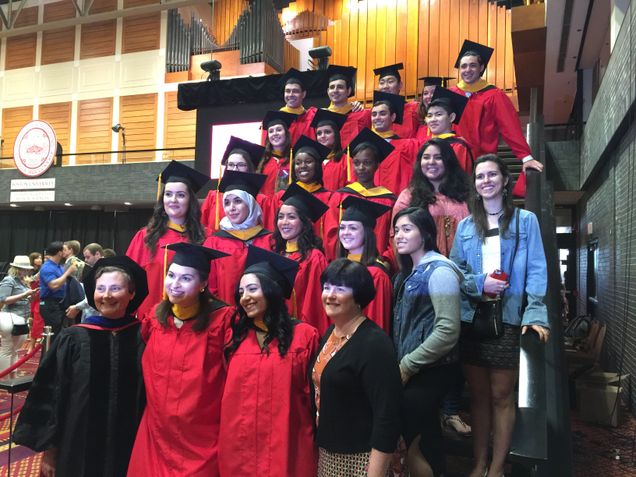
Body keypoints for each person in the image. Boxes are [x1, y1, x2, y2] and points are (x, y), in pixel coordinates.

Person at [449, 154, 550, 477]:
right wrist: (482, 284)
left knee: (502, 396)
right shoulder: (465, 226)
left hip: (508, 318)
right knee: (478, 397)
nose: (486, 181)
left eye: (493, 175)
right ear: (475, 186)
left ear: (505, 181)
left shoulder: (525, 221)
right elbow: (457, 273)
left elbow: (536, 269)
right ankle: (478, 462)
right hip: (473, 318)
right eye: (480, 177)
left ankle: (496, 466)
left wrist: (535, 313)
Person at [14, 256, 148, 477]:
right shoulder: (73, 338)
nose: (106, 295)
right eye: (100, 288)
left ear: (131, 293)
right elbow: (51, 396)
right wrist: (50, 451)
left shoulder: (143, 336)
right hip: (77, 446)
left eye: (116, 288)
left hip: (130, 445)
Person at [128, 243, 233, 477]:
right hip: (157, 431)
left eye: (186, 278)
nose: (175, 285)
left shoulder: (223, 321)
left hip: (202, 435)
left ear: (204, 284)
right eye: (171, 275)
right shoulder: (155, 319)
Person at [219, 246, 319, 476]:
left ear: (272, 290)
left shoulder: (305, 336)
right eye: (241, 291)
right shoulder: (234, 339)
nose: (245, 297)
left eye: (252, 289)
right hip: (240, 452)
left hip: (288, 449)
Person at [313, 258, 402, 477]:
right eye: (327, 287)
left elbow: (387, 415)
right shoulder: (330, 334)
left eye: (340, 288)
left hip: (361, 458)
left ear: (359, 297)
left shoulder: (374, 344)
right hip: (330, 453)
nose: (330, 295)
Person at [393, 207, 464, 477]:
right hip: (418, 367)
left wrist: (408, 365)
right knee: (426, 435)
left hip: (433, 369)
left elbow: (447, 331)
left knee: (414, 437)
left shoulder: (440, 271)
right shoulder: (410, 272)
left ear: (425, 233)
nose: (399, 235)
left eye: (407, 229)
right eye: (396, 230)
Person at [450, 40, 544, 196]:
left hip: (482, 161)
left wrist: (526, 157)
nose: (467, 70)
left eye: (473, 65)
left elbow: (510, 127)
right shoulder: (452, 94)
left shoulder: (494, 95)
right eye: (463, 66)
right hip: (455, 160)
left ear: (481, 68)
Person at [126, 160, 209, 320]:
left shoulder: (205, 237)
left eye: (181, 195)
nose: (173, 200)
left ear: (190, 200)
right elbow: (130, 280)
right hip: (151, 319)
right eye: (168, 194)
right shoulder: (145, 237)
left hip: (193, 320)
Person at [324, 128, 396, 260]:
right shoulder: (340, 197)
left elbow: (392, 237)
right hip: (345, 263)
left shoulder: (389, 200)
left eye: (367, 163)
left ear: (377, 165)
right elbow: (331, 234)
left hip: (377, 263)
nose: (361, 168)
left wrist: (384, 261)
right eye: (356, 163)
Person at [393, 138, 470, 257]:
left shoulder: (466, 194)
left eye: (438, 157)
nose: (431, 162)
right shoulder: (408, 197)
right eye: (426, 157)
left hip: (464, 266)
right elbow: (397, 237)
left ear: (448, 161)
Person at [204, 171, 272, 303]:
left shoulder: (269, 240)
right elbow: (211, 286)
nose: (231, 208)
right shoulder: (214, 242)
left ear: (250, 204)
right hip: (225, 315)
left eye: (237, 201)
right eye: (227, 203)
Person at [271, 183, 330, 334]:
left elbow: (315, 305)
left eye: (291, 217)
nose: (284, 222)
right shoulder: (277, 254)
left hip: (301, 332)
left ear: (304, 223)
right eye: (281, 217)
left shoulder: (314, 257)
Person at [336, 196, 393, 334]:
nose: (346, 233)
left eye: (353, 228)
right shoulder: (337, 268)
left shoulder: (376, 275)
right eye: (342, 228)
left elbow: (377, 324)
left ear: (367, 232)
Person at [200, 136, 272, 231]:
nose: (235, 169)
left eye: (241, 165)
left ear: (249, 168)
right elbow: (202, 228)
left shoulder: (262, 200)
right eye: (231, 165)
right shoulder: (214, 197)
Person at [271, 135, 332, 237]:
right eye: (298, 163)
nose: (303, 166)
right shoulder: (281, 196)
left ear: (317, 165)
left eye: (308, 162)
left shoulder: (329, 197)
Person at [370, 91, 420, 194]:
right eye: (374, 114)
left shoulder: (407, 145)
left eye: (382, 114)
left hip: (397, 200)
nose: (377, 117)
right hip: (370, 202)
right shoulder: (366, 146)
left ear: (392, 117)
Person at [421, 87, 474, 174]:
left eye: (438, 114)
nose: (433, 119)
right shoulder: (425, 144)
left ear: (451, 117)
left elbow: (458, 179)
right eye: (429, 116)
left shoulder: (458, 147)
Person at [0, 255, 36, 369]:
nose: (25, 271)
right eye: (22, 269)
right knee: (7, 350)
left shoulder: (22, 281)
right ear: (16, 268)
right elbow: (3, 300)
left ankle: (10, 378)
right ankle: (4, 379)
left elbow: (23, 299)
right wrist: (24, 295)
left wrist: (31, 296)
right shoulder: (9, 280)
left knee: (14, 351)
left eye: (26, 269)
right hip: (10, 318)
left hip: (20, 318)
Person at [39, 241, 78, 339]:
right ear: (59, 253)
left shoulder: (59, 266)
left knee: (58, 334)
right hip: (50, 304)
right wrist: (68, 272)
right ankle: (48, 354)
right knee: (53, 335)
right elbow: (53, 285)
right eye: (64, 249)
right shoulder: (47, 267)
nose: (66, 252)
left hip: (59, 304)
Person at [324, 65, 371, 145]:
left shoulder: (361, 114)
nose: (335, 90)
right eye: (332, 87)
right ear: (328, 91)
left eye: (340, 87)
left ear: (348, 91)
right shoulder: (322, 115)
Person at [374, 63, 420, 139]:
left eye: (390, 81)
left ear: (400, 85)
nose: (385, 86)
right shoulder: (373, 113)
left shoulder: (414, 108)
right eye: (382, 83)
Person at [259, 110, 296, 195]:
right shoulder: (262, 161)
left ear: (286, 133)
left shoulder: (294, 159)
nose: (275, 134)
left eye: (279, 130)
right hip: (266, 206)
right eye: (271, 131)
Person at [311, 108, 349, 190]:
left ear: (336, 135)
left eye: (327, 132)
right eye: (319, 133)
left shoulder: (346, 161)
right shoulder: (313, 161)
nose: (322, 136)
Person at [278, 67, 318, 143]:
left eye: (295, 91)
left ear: (303, 94)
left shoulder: (312, 118)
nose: (290, 94)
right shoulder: (276, 119)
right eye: (287, 91)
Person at [415, 76, 453, 143]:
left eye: (433, 92)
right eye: (425, 93)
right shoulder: (420, 126)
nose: (429, 96)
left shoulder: (450, 124)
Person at [27, 251, 44, 349]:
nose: (40, 260)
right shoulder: (28, 271)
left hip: (40, 298)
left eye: (40, 258)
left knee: (38, 319)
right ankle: (31, 342)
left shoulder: (43, 270)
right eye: (37, 258)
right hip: (29, 297)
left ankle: (33, 344)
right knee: (31, 320)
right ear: (32, 260)